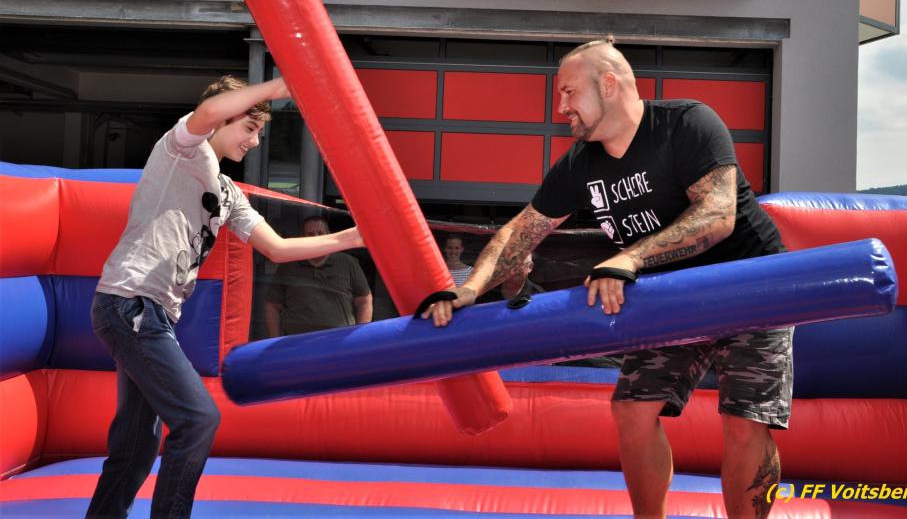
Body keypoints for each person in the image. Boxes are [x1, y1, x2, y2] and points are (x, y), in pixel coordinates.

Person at [424, 38, 790, 519]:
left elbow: (718, 214)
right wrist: (470, 288)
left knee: (744, 421)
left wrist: (630, 259)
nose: (561, 107)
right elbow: (521, 230)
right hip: (671, 297)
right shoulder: (581, 163)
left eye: (569, 92)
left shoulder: (687, 124)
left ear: (609, 84)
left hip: (752, 286)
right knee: (632, 410)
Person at [87, 75, 363, 519]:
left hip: (153, 314)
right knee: (198, 418)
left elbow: (278, 248)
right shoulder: (182, 149)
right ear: (223, 117)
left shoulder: (229, 192)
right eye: (250, 129)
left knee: (136, 448)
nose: (255, 141)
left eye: (260, 132)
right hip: (131, 303)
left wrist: (353, 238)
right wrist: (276, 88)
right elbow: (209, 112)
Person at [264, 215, 372, 335]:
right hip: (297, 341)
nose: (316, 238)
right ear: (303, 238)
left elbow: (364, 300)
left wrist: (360, 337)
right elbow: (272, 305)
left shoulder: (347, 263)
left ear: (329, 235)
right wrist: (276, 339)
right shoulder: (288, 265)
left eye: (320, 233)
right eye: (310, 234)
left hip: (339, 340)